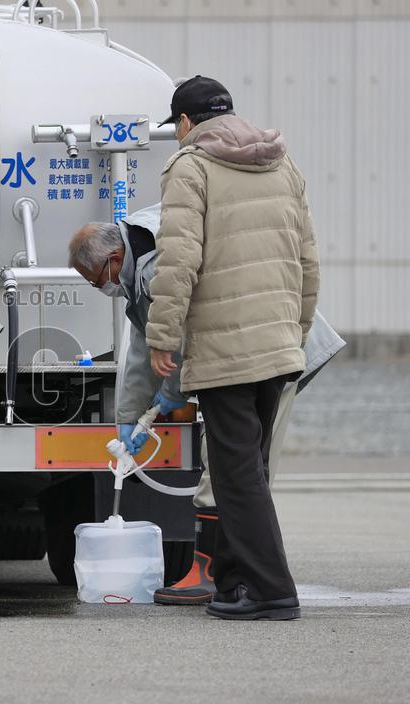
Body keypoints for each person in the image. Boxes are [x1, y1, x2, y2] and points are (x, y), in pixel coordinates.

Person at [69, 207, 343, 607]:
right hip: (247, 353)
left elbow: (183, 331)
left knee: (235, 469)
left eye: (97, 282)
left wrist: (173, 391)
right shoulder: (140, 258)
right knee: (234, 466)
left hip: (265, 354)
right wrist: (130, 416)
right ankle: (233, 576)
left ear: (112, 259)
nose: (102, 289)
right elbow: (147, 343)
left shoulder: (157, 263)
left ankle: (228, 576)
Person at [147, 75, 320, 620]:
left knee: (235, 475)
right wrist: (299, 329)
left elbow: (178, 261)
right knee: (248, 469)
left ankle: (271, 589)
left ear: (184, 124)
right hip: (277, 343)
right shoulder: (282, 163)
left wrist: (162, 335)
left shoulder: (190, 167)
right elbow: (307, 259)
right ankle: (230, 584)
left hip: (226, 352)